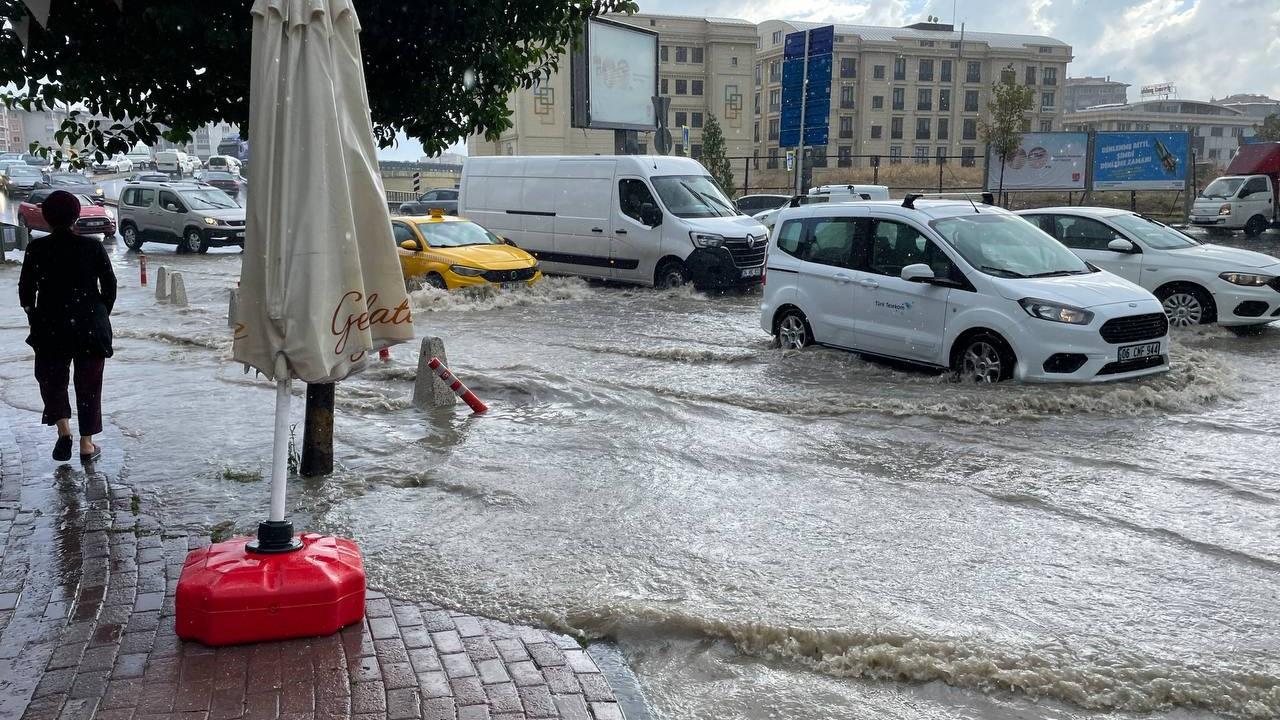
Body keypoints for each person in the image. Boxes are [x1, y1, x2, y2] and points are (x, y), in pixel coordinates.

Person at [17, 190, 117, 464]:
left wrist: (33, 315)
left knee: (52, 380)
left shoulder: (37, 249)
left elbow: (26, 290)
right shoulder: (92, 247)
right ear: (76, 216)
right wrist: (99, 314)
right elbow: (110, 286)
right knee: (89, 385)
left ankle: (64, 430)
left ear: (47, 218)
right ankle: (87, 444)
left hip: (50, 326)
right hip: (89, 327)